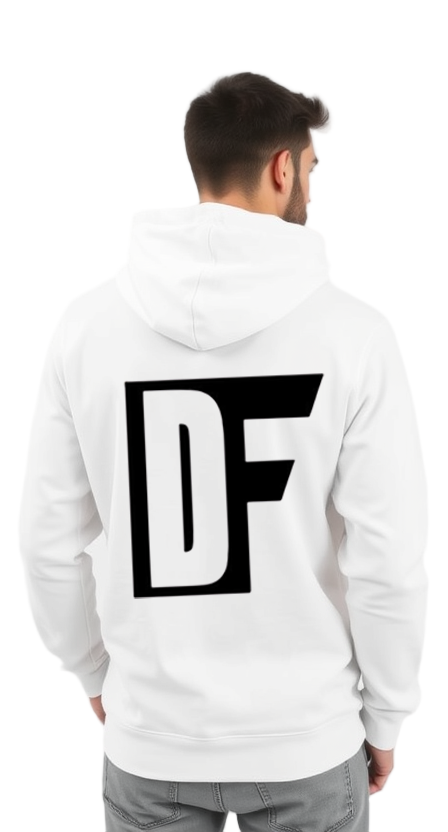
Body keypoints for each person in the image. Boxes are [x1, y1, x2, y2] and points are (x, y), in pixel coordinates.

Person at [18, 71, 428, 831]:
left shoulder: (86, 328)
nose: (311, 190)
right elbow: (386, 559)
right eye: (312, 170)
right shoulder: (355, 336)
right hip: (308, 740)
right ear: (283, 168)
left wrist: (93, 670)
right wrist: (387, 713)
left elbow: (48, 543)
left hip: (151, 739)